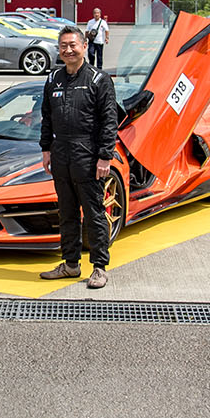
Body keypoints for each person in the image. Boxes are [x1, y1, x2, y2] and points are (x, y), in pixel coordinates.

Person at [38, 26, 120, 289]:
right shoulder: (53, 79)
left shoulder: (99, 79)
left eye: (73, 45)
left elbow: (110, 120)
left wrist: (105, 156)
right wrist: (46, 149)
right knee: (67, 213)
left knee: (94, 213)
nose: (68, 50)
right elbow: (47, 117)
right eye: (63, 45)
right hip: (61, 152)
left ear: (84, 46)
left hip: (88, 152)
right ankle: (70, 264)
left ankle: (99, 267)